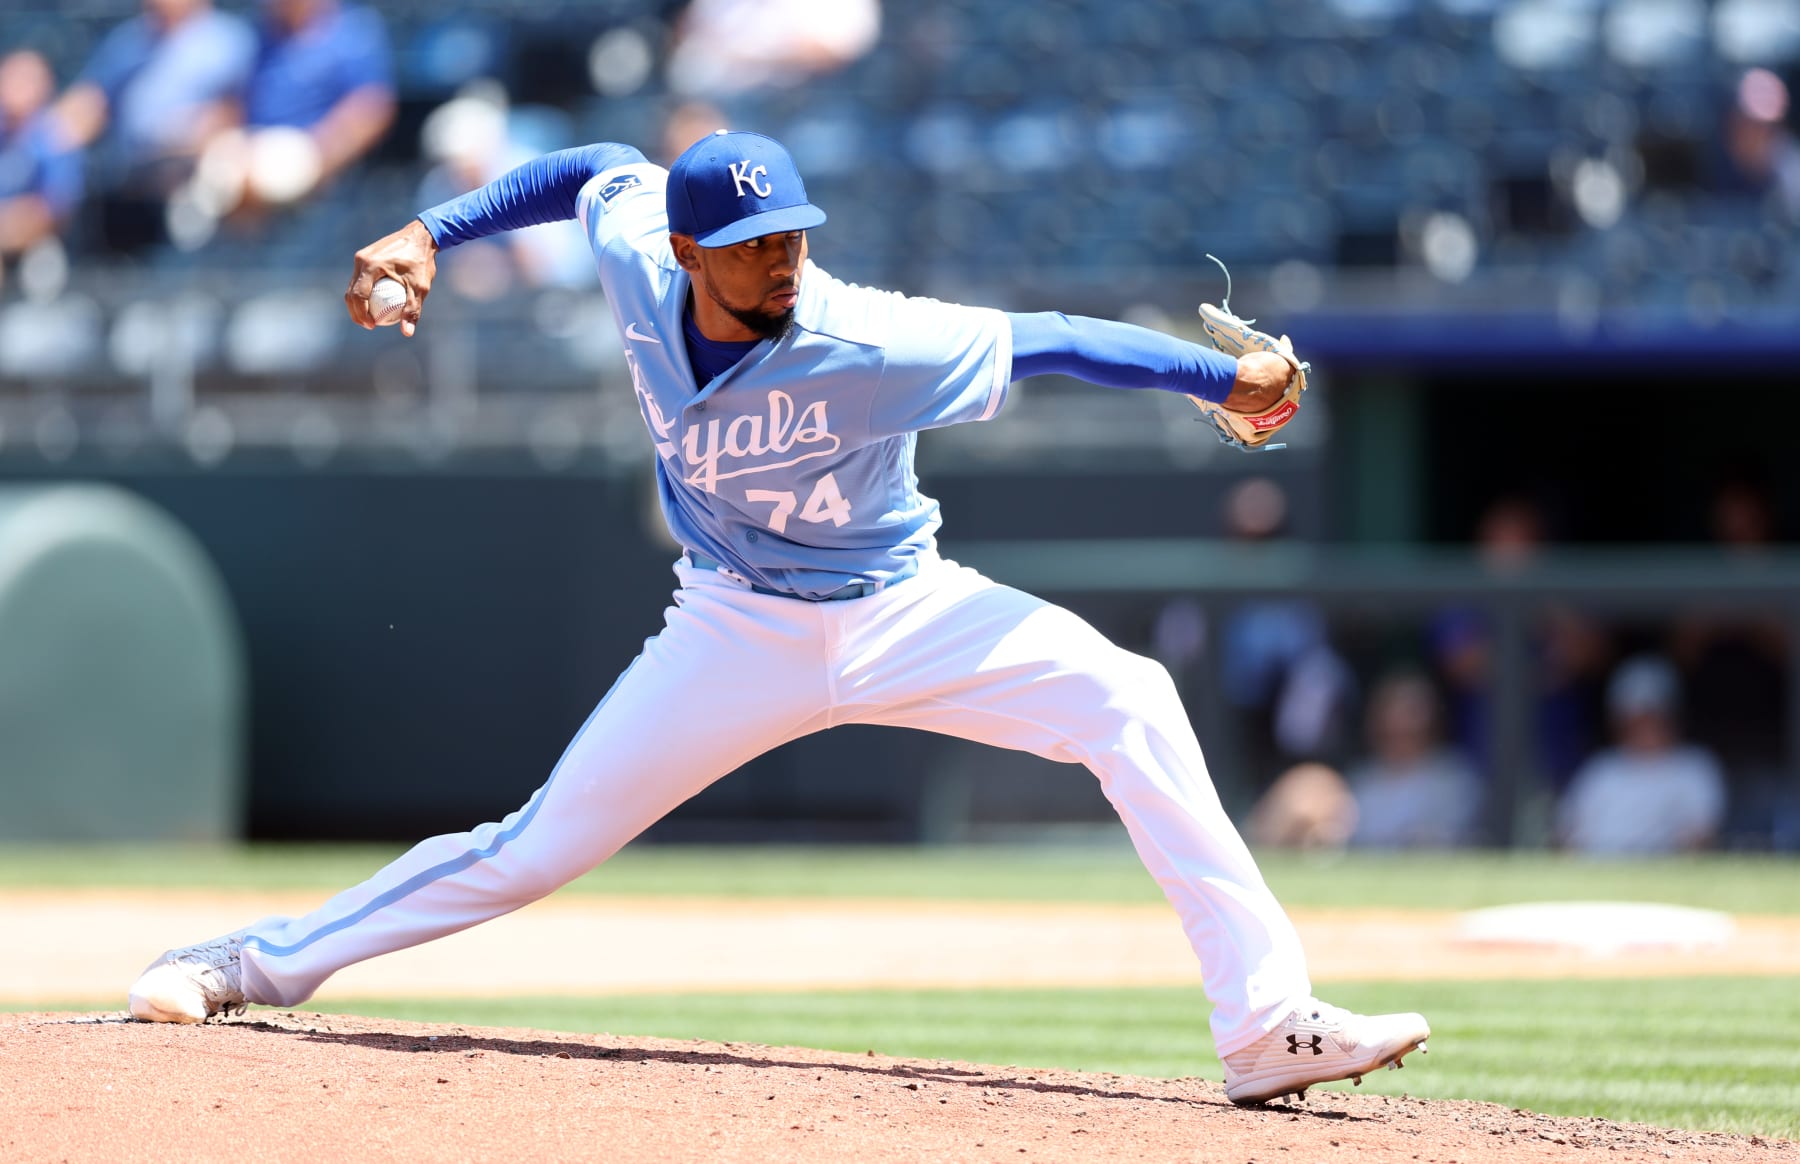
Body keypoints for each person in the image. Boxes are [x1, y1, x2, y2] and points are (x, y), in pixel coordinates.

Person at [127, 130, 1429, 1106]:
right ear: (691, 254)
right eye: (756, 244)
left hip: (905, 608)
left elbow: (1053, 340)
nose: (784, 257)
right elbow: (585, 167)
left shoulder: (868, 337)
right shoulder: (644, 254)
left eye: (794, 234)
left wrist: (1217, 375)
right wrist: (430, 230)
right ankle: (245, 964)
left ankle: (1264, 1028)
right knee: (532, 848)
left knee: (1129, 699)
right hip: (733, 627)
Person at [51, 0, 253, 253]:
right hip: (131, 174)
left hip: (195, 170)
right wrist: (43, 139)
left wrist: (191, 135)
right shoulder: (129, 39)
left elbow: (237, 111)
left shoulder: (227, 39)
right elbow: (90, 101)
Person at [1557, 654, 1727, 855]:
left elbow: (1701, 838)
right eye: (1636, 717)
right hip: (1598, 874)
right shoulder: (1600, 770)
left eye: (1654, 715)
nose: (1645, 726)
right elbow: (1566, 838)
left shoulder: (1696, 766)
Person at [1346, 672, 1483, 850]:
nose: (1402, 724)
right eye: (1392, 711)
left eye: (1412, 712)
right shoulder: (1359, 780)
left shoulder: (1455, 779)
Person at [0, 49, 84, 261]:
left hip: (33, 252)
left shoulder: (56, 137)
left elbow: (53, 211)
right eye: (10, 77)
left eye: (26, 79)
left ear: (46, 85)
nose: (16, 86)